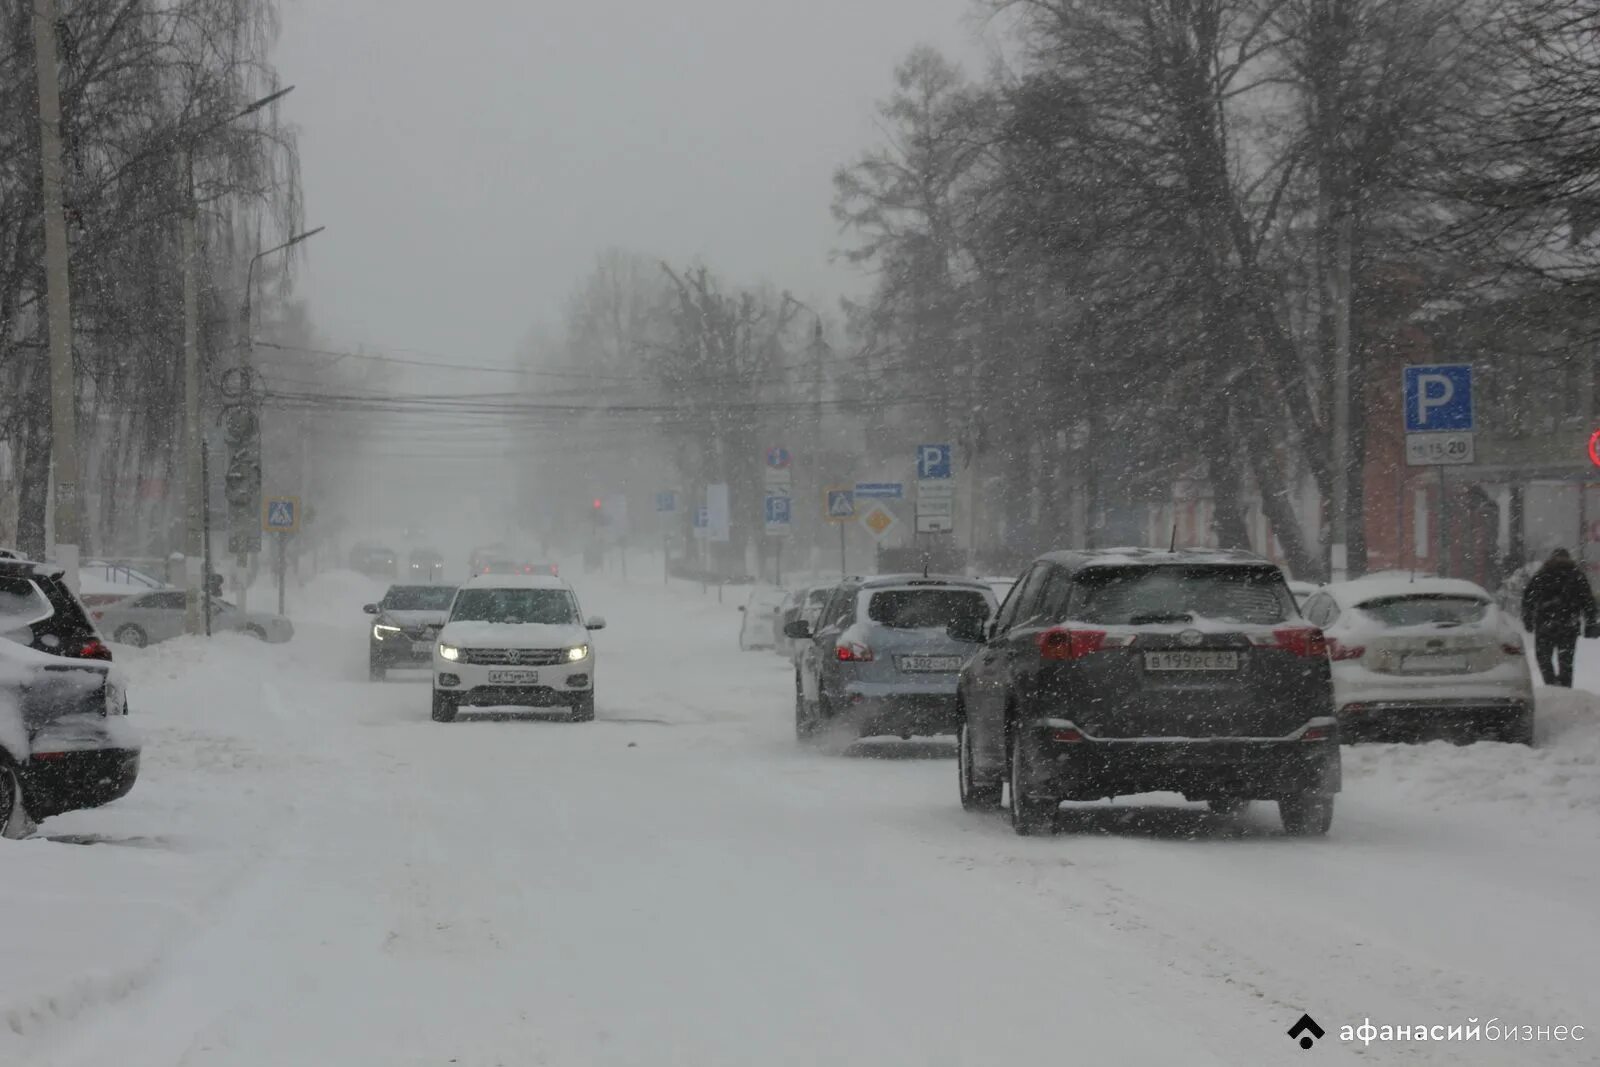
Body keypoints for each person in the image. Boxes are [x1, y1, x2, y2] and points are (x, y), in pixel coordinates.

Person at [1521, 548, 1598, 687]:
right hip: (1569, 624)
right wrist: (1590, 623)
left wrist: (1528, 619)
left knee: (1543, 658)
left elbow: (1529, 597)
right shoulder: (1576, 575)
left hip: (1545, 623)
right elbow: (1588, 602)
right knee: (1566, 662)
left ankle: (1551, 683)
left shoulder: (1543, 574)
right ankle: (1565, 687)